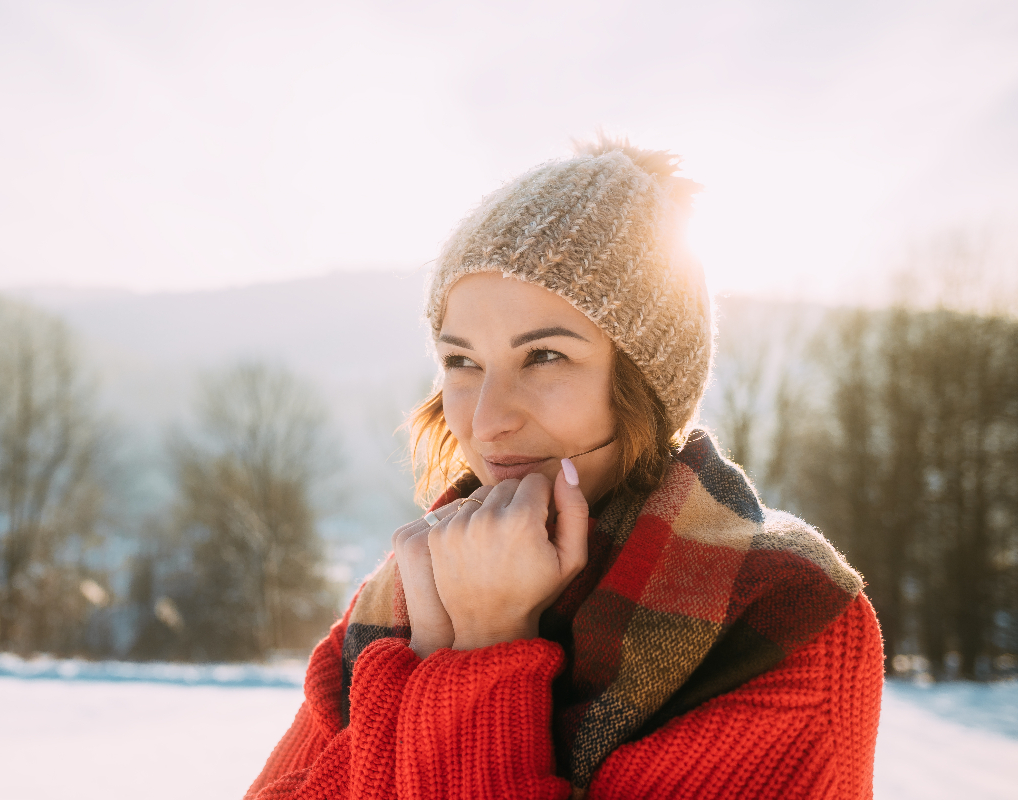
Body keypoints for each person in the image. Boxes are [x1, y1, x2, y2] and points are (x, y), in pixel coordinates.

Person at [246, 136, 883, 800]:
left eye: (544, 356)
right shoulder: (404, 594)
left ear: (646, 381)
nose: (487, 419)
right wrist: (427, 650)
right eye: (462, 361)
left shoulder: (783, 611)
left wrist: (482, 650)